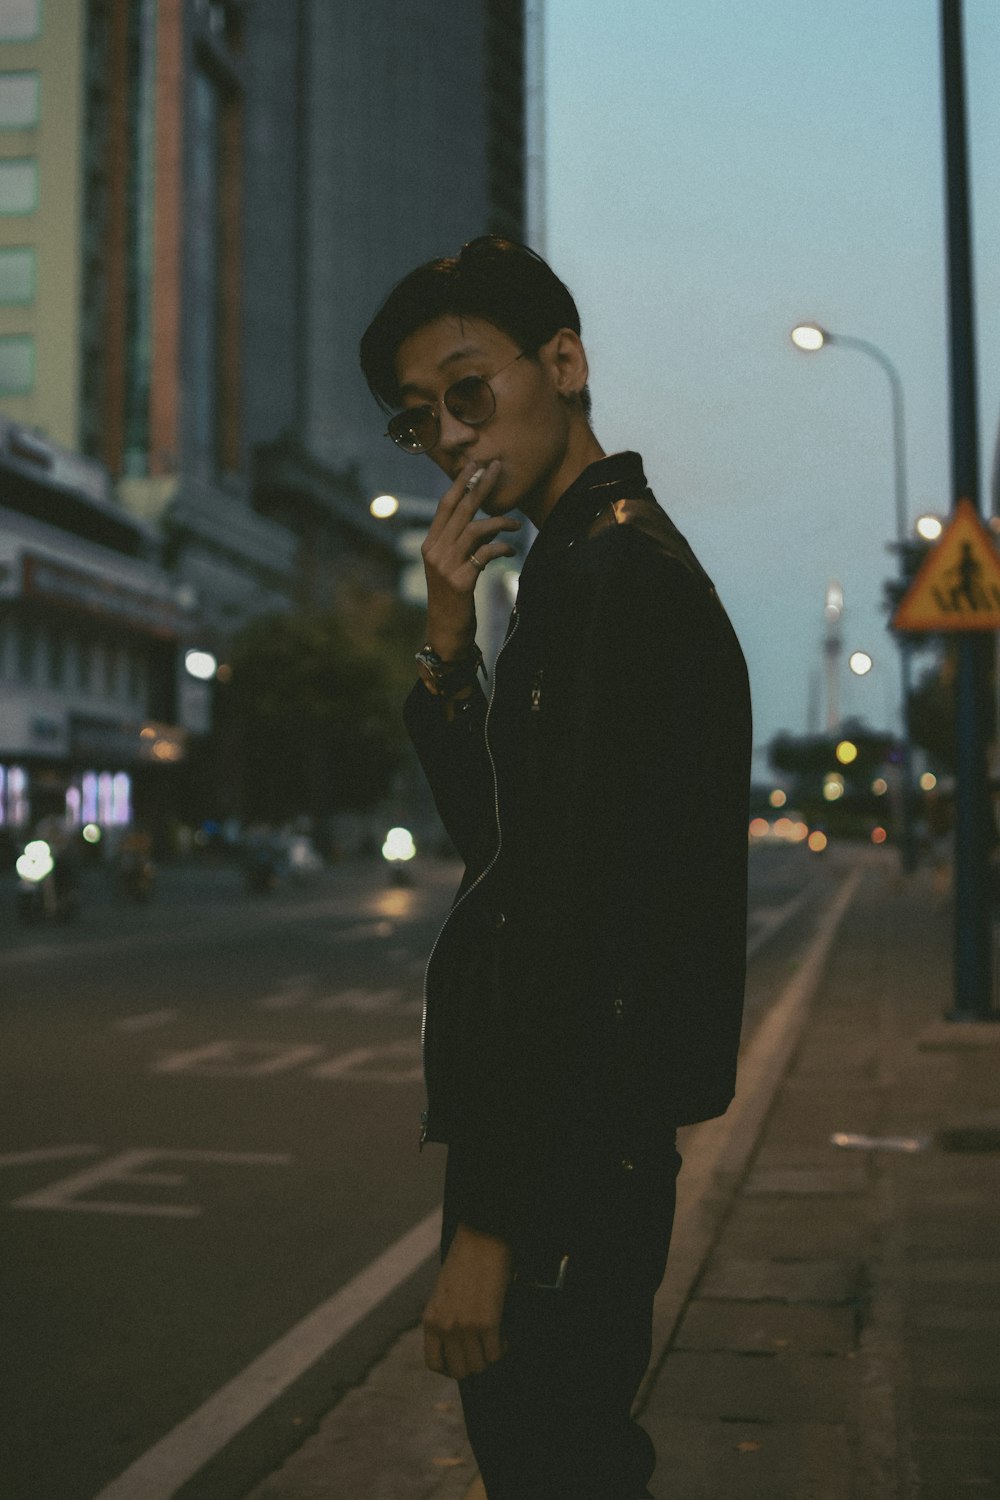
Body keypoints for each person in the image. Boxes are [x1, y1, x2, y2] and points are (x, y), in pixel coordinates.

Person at [359, 236, 751, 1500]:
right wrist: (443, 649)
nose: (448, 438)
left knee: (558, 1468)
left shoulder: (610, 581)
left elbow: (557, 925)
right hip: (586, 1143)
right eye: (419, 421)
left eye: (469, 391)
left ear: (565, 364)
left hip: (570, 1158)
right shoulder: (580, 564)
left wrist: (487, 1221)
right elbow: (518, 846)